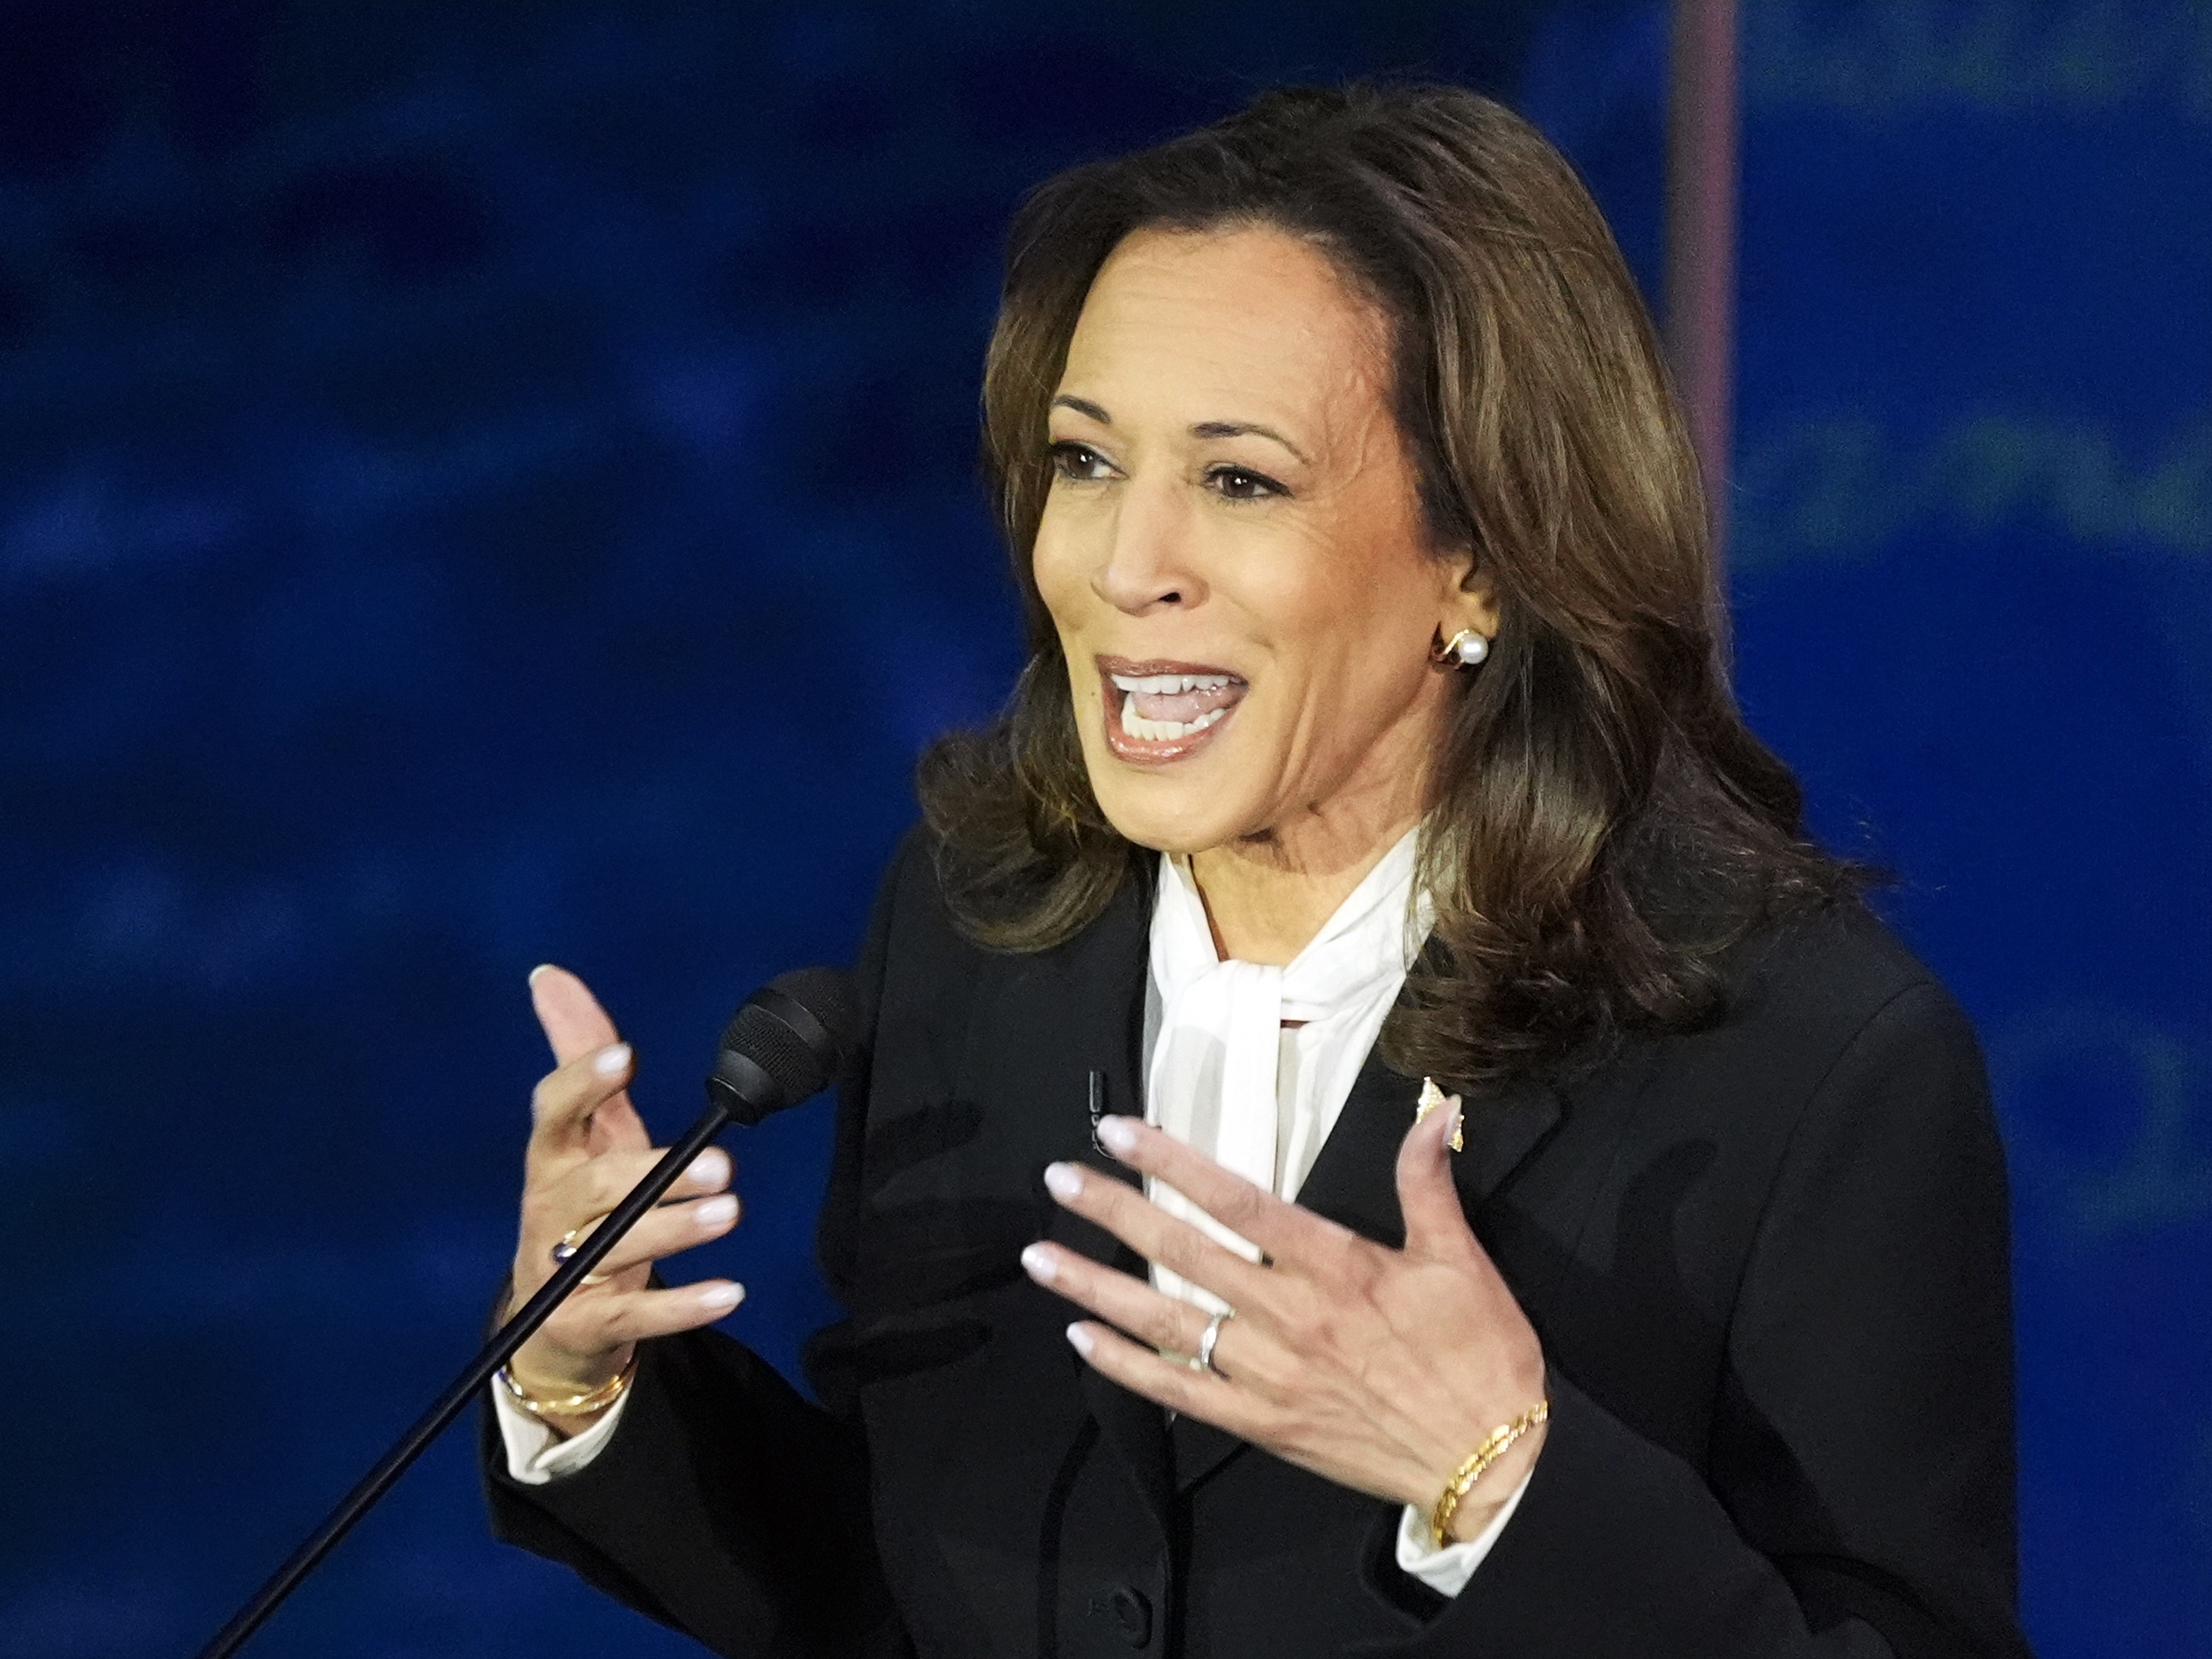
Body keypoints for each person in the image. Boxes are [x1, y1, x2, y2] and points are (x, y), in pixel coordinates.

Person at [480, 83, 2034, 1658]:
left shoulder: (1807, 1062)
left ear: (1482, 558)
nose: (1123, 564)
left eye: (1239, 481)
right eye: (1086, 461)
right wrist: (581, 1375)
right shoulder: (978, 931)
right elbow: (909, 1582)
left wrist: (1500, 1482)